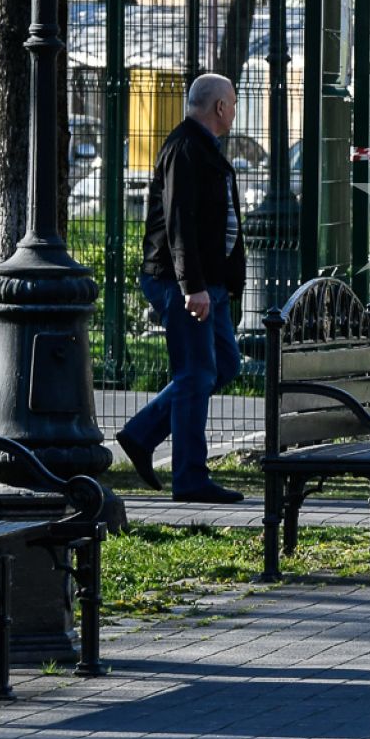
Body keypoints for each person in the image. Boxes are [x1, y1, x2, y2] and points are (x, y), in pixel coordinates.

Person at [113, 73, 248, 504]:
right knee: (195, 373)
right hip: (183, 284)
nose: (235, 110)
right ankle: (190, 478)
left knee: (224, 364)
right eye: (233, 103)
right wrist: (192, 286)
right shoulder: (185, 148)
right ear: (220, 108)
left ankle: (141, 433)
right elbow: (179, 223)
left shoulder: (205, 148)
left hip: (211, 284)